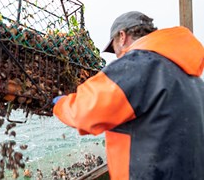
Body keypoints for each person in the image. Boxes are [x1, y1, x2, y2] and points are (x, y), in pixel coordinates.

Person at [52, 11, 204, 180]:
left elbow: (84, 113)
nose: (117, 55)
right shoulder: (192, 78)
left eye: (114, 47)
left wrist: (61, 104)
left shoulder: (137, 64)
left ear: (122, 36)